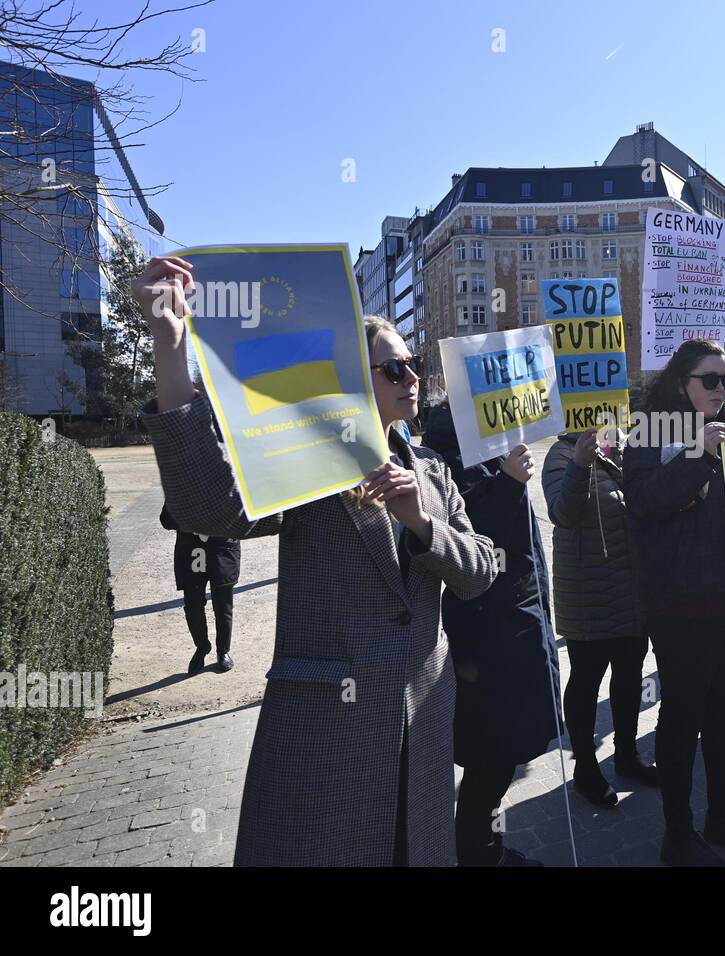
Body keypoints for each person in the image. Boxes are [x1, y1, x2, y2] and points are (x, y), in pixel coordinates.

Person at [134, 256, 498, 866]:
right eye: (394, 367)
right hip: (330, 731)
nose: (412, 377)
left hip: (424, 721)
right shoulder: (310, 463)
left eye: (415, 365)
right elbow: (207, 507)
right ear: (357, 383)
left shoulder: (432, 469)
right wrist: (172, 351)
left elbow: (481, 570)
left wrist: (421, 522)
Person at [624, 339, 725, 867]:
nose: (721, 390)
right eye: (711, 379)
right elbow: (642, 503)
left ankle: (723, 817)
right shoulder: (649, 428)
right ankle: (678, 832)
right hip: (682, 600)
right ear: (681, 380)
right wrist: (698, 456)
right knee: (683, 716)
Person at [422, 404, 561, 867]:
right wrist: (506, 483)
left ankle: (486, 849)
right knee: (493, 756)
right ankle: (477, 855)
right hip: (486, 625)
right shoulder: (444, 441)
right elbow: (458, 531)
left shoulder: (497, 431)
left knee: (508, 750)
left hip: (522, 610)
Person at [542, 425, 658, 809]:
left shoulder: (624, 445)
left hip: (631, 590)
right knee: (586, 682)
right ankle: (585, 769)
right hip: (586, 594)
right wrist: (579, 463)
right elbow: (563, 514)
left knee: (628, 678)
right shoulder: (561, 454)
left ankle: (627, 755)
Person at [160, 501, 241, 675]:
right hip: (190, 549)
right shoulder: (184, 482)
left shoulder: (230, 480)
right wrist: (192, 524)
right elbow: (166, 519)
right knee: (193, 605)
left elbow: (241, 515)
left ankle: (223, 651)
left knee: (223, 604)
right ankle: (202, 646)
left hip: (222, 548)